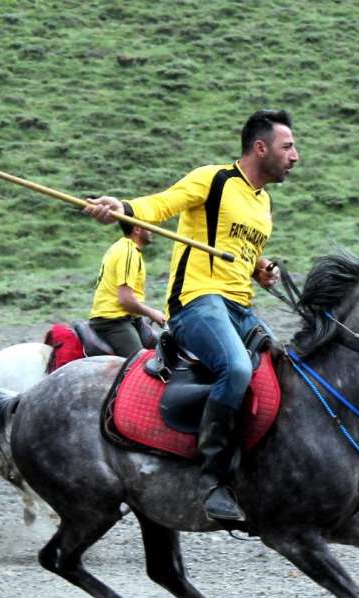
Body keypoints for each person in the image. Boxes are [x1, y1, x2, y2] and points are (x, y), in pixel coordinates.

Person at [84, 109, 298, 522]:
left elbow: (245, 251)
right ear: (260, 147)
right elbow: (160, 204)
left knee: (288, 370)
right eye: (287, 146)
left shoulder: (263, 202)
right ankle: (212, 481)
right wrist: (122, 206)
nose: (295, 156)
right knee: (235, 368)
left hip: (240, 307)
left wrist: (260, 269)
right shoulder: (213, 179)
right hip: (197, 303)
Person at [87, 222, 165, 357]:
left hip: (129, 318)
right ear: (137, 229)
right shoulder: (128, 252)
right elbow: (125, 300)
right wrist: (152, 313)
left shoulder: (123, 247)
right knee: (138, 366)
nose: (153, 230)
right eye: (149, 226)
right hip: (113, 320)